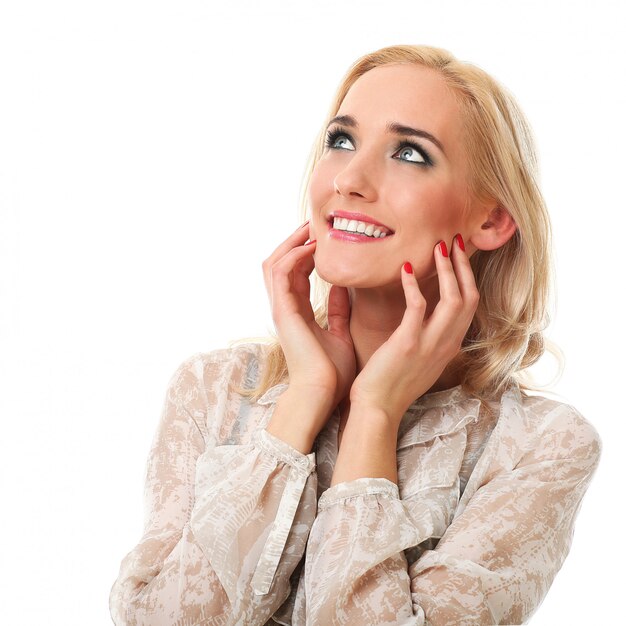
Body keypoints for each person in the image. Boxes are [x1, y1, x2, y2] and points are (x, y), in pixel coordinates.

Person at [109, 44, 602, 625]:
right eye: (341, 141)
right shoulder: (214, 388)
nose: (349, 179)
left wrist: (375, 412)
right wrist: (307, 396)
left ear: (491, 219)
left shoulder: (541, 446)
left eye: (410, 153)